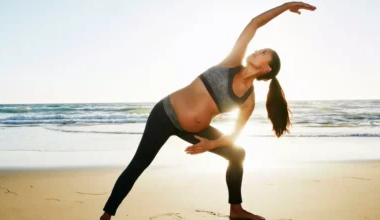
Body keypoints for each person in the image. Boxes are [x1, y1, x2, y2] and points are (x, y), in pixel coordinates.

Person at [100, 2, 316, 220]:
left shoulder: (248, 101)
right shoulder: (232, 62)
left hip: (193, 131)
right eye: (260, 49)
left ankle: (236, 210)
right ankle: (107, 215)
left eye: (263, 53)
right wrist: (287, 5)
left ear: (267, 68)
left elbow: (233, 135)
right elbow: (254, 24)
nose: (256, 50)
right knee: (139, 164)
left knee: (238, 154)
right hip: (164, 114)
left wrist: (210, 144)